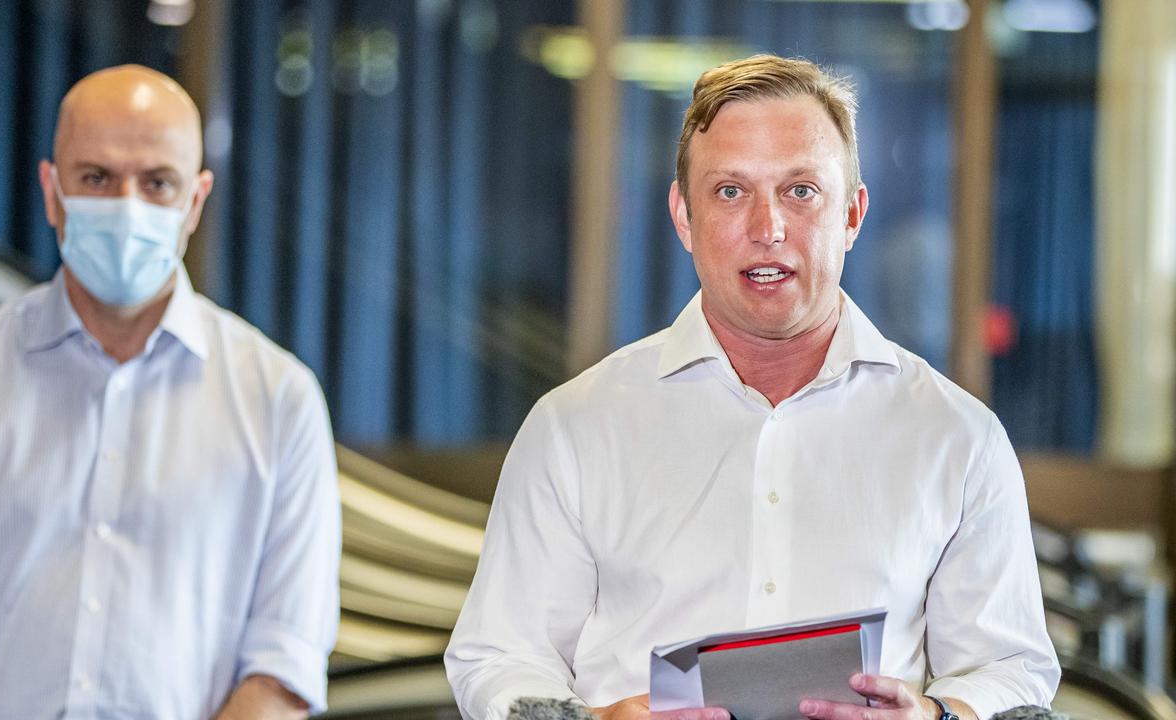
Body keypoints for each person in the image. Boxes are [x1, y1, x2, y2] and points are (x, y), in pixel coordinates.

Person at [445, 55, 1059, 720]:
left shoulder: (957, 437)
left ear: (852, 215)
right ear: (683, 217)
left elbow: (1011, 669)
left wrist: (937, 718)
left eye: (801, 191)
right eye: (731, 192)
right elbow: (500, 657)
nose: (767, 229)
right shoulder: (575, 426)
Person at [0, 65, 340, 720]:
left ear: (195, 201)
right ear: (52, 192)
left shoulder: (281, 400)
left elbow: (285, 665)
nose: (127, 206)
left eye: (157, 182)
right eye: (96, 178)